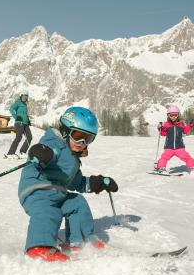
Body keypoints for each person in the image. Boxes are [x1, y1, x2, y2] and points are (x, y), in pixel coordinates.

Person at [19, 107, 119, 262]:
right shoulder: (55, 144)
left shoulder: (72, 159)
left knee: (77, 203)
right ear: (65, 131)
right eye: (78, 136)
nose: (82, 143)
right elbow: (46, 150)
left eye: (88, 138)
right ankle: (39, 246)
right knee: (49, 212)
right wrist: (41, 153)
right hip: (37, 191)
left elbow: (77, 182)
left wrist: (98, 183)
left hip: (57, 193)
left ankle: (79, 240)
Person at [154, 105, 194, 174]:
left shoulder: (181, 124)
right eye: (171, 115)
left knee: (187, 157)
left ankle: (192, 167)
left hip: (179, 147)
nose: (173, 117)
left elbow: (185, 131)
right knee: (164, 158)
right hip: (169, 147)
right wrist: (160, 128)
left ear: (178, 115)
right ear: (168, 115)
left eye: (175, 115)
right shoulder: (166, 124)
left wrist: (190, 125)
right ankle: (161, 168)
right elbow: (163, 134)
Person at [6, 90, 32, 158]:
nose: (25, 97)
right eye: (24, 96)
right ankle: (10, 153)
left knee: (29, 137)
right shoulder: (18, 102)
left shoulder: (25, 104)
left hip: (25, 124)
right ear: (21, 96)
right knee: (18, 137)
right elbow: (11, 109)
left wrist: (28, 120)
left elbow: (25, 114)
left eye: (26, 96)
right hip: (19, 123)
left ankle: (22, 152)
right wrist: (16, 117)